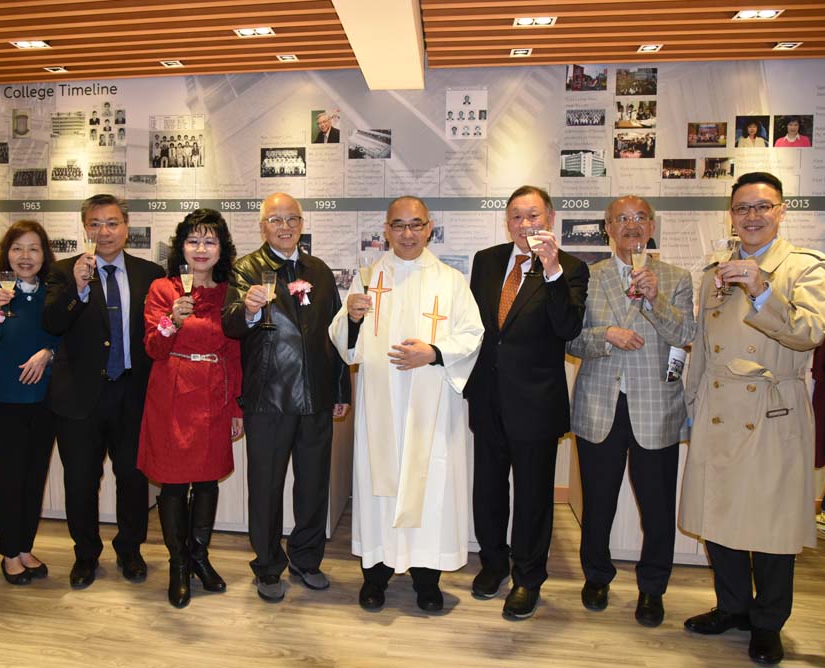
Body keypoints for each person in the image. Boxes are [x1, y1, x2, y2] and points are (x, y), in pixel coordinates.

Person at [680, 172, 825, 665]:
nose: (752, 216)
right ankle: (732, 607)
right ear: (731, 215)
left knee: (771, 526)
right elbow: (703, 346)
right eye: (742, 207)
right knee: (718, 516)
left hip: (773, 409)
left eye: (762, 206)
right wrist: (693, 406)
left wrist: (762, 288)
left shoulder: (806, 267)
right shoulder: (716, 271)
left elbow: (809, 333)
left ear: (781, 211)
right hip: (718, 407)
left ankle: (768, 623)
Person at [329, 196, 483, 612]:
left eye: (416, 224)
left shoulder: (450, 281)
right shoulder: (369, 278)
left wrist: (433, 352)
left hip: (432, 405)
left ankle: (426, 578)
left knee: (430, 486)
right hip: (380, 404)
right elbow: (344, 341)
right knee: (379, 484)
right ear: (386, 230)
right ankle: (375, 575)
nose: (408, 233)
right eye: (399, 225)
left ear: (429, 228)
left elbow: (473, 333)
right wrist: (352, 318)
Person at [565, 196, 695, 626]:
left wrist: (655, 299)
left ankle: (652, 588)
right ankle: (596, 576)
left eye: (640, 218)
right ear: (608, 228)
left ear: (652, 226)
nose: (632, 225)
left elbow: (684, 333)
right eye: (622, 218)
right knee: (598, 503)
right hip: (599, 406)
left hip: (655, 407)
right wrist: (607, 335)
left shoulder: (675, 278)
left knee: (657, 508)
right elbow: (570, 339)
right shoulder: (588, 276)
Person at [465, 185, 589, 620]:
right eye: (516, 216)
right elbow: (475, 326)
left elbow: (568, 328)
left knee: (534, 497)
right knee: (488, 489)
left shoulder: (571, 268)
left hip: (536, 403)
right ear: (507, 222)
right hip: (487, 397)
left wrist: (551, 271)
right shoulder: (486, 261)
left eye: (533, 215)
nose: (525, 224)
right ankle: (493, 563)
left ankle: (528, 577)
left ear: (550, 218)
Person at [222, 192, 350, 602]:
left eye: (291, 219)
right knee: (266, 487)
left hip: (316, 397)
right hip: (269, 397)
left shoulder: (320, 271)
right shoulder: (246, 269)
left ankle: (306, 559)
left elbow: (337, 334)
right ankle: (267, 565)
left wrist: (340, 388)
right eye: (275, 220)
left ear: (301, 224)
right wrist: (249, 309)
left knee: (313, 485)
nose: (284, 226)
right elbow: (230, 325)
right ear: (263, 226)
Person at [42, 194, 165, 589]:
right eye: (95, 224)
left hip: (133, 393)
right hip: (80, 397)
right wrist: (78, 289)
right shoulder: (64, 271)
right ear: (85, 229)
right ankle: (85, 554)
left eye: (112, 223)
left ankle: (130, 550)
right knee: (80, 480)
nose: (104, 232)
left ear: (126, 227)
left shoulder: (151, 273)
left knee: (133, 479)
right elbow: (52, 323)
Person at [138, 210, 243, 608]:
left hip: (215, 392)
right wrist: (171, 320)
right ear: (181, 246)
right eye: (193, 240)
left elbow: (234, 353)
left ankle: (199, 556)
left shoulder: (229, 291)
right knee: (173, 483)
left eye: (209, 241)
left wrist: (236, 409)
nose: (201, 249)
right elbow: (153, 348)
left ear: (221, 248)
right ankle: (178, 563)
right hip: (172, 392)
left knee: (207, 481)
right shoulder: (162, 288)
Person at [0, 220, 59, 585]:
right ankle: (9, 553)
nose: (25, 256)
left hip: (44, 401)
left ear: (44, 255)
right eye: (18, 248)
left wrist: (48, 353)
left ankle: (25, 547)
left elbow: (66, 337)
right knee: (9, 478)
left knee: (35, 477)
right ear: (7, 254)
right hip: (3, 400)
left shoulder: (52, 293)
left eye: (34, 248)